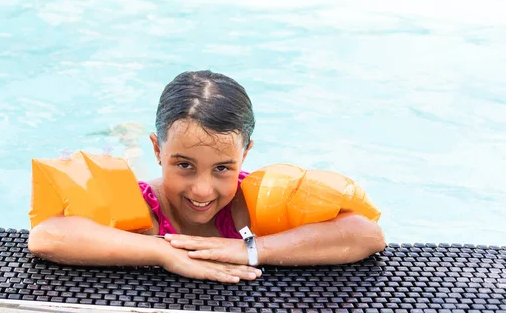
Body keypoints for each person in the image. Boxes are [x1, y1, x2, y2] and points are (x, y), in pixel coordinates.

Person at [27, 70, 386, 283]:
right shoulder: (143, 210)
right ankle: (128, 138)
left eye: (222, 168)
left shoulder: (250, 208)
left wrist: (249, 249)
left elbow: (366, 234)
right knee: (119, 163)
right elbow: (46, 236)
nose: (202, 190)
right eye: (183, 165)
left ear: (245, 155)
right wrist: (160, 252)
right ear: (158, 151)